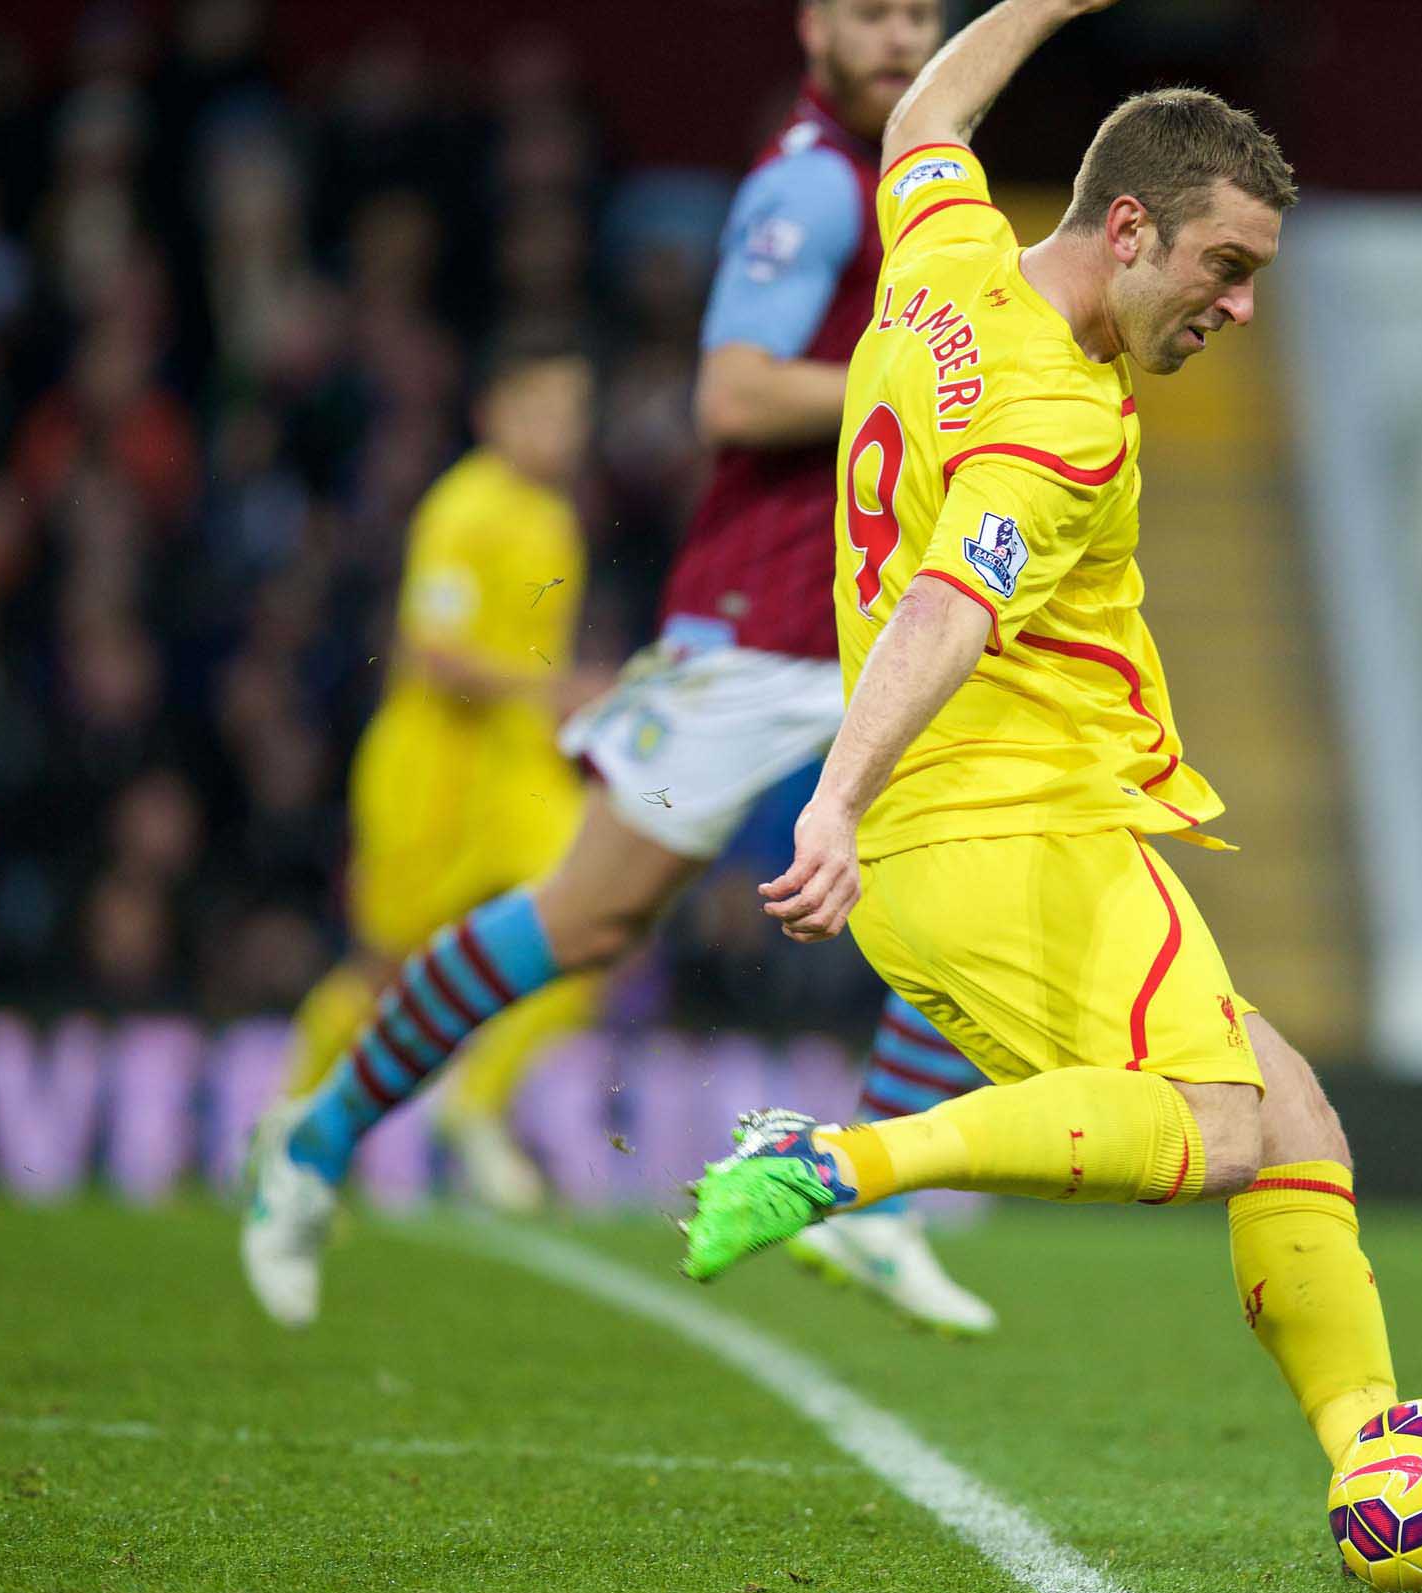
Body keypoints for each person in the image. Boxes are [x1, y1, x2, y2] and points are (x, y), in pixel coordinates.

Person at [675, 1, 1422, 1585]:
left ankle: (1381, 1469)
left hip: (966, 846)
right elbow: (950, 609)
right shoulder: (1062, 419)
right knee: (1232, 1127)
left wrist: (1039, 4)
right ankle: (838, 1164)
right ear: (1127, 227)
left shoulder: (945, 265)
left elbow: (922, 128)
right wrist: (831, 798)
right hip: (1004, 828)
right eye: (1224, 270)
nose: (1239, 309)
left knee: (1295, 1115)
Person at [244, 0, 1001, 1337]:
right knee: (582, 924)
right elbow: (733, 394)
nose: (898, 40)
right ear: (817, 24)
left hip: (877, 620)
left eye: (920, 17)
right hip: (756, 627)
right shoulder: (813, 184)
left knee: (987, 870)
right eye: (871, 14)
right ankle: (317, 1137)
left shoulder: (930, 184)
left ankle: (871, 1201)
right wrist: (926, 381)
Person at [272, 331, 600, 1213]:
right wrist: (556, 686)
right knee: (386, 969)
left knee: (597, 924)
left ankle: (476, 1101)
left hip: (516, 770)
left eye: (571, 412)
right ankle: (289, 1129)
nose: (559, 429)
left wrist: (570, 703)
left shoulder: (554, 514)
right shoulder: (464, 510)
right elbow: (431, 654)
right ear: (493, 413)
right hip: (431, 768)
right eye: (541, 408)